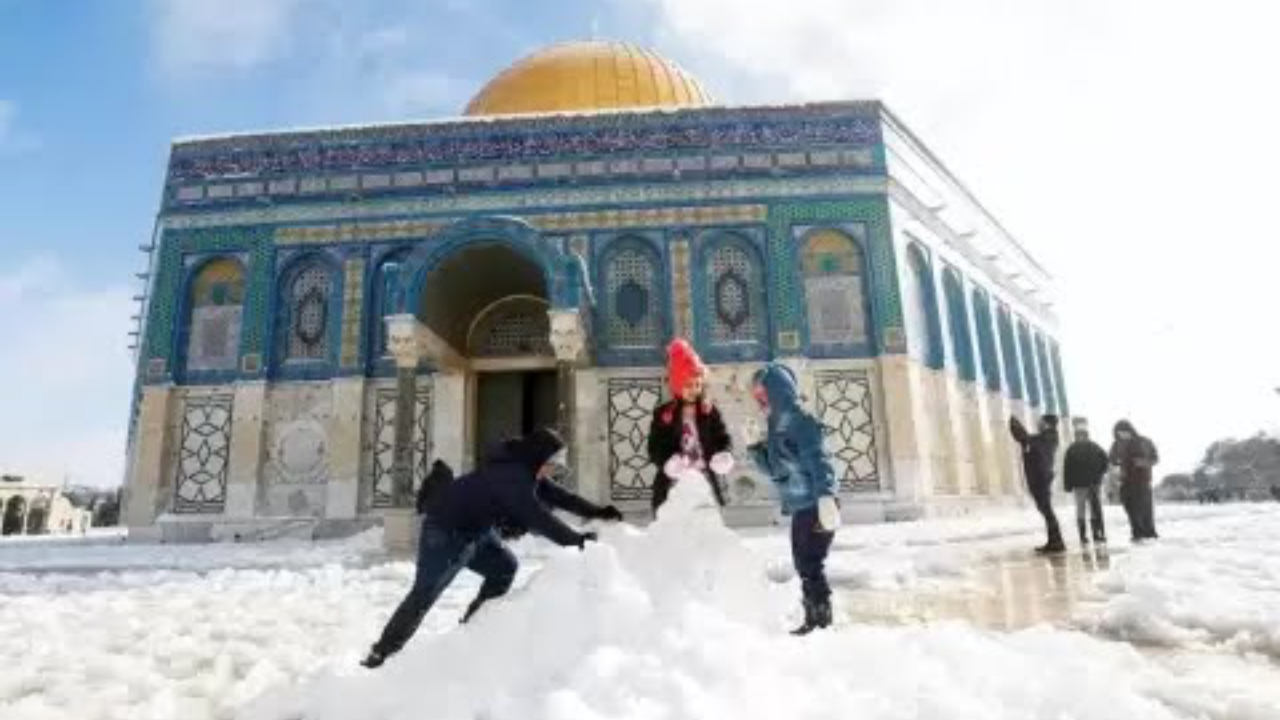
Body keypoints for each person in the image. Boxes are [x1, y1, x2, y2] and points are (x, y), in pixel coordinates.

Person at [361, 428, 623, 669]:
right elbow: (538, 519)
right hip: (445, 532)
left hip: (476, 530)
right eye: (551, 463)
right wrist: (577, 541)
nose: (553, 470)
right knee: (425, 594)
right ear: (538, 456)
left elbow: (560, 497)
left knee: (504, 568)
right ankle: (382, 654)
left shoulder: (525, 469)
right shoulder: (511, 476)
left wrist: (597, 511)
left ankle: (473, 631)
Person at [747, 363, 841, 635]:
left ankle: (820, 620)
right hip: (802, 506)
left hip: (817, 504)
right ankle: (815, 618)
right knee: (804, 563)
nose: (760, 401)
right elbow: (774, 471)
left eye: (763, 395)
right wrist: (755, 447)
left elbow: (819, 460)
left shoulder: (802, 421)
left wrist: (827, 496)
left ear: (778, 391)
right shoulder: (776, 427)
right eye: (758, 397)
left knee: (810, 563)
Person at [647, 339, 734, 514]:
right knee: (677, 526)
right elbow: (654, 447)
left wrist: (723, 454)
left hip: (705, 479)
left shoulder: (708, 410)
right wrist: (668, 462)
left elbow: (722, 437)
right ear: (677, 385)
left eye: (698, 385)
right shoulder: (664, 414)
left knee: (705, 524)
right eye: (688, 385)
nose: (694, 389)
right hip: (675, 482)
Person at [1010, 413, 1065, 554]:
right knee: (1045, 510)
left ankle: (1056, 542)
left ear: (1047, 423)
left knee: (1047, 510)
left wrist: (1017, 428)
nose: (1038, 424)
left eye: (1040, 422)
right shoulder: (1047, 437)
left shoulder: (1049, 437)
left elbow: (1028, 440)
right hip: (1040, 477)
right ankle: (1054, 541)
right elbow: (1028, 440)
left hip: (1041, 478)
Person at [1110, 420, 1159, 542]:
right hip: (1126, 481)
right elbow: (1111, 459)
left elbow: (1155, 458)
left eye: (1122, 432)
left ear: (1129, 430)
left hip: (1143, 481)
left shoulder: (1145, 441)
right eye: (1118, 433)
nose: (1121, 435)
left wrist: (1144, 462)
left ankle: (1149, 533)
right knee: (1131, 508)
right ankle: (1137, 533)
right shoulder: (1117, 444)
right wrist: (1117, 462)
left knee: (1146, 509)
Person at [1063, 417, 1109, 545]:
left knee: (1085, 509)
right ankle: (1092, 535)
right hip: (1089, 485)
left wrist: (1068, 485)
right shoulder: (1094, 447)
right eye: (1079, 435)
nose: (1080, 437)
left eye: (1081, 435)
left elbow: (1067, 469)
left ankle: (1089, 535)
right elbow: (1067, 469)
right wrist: (1100, 475)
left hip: (1085, 485)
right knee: (1089, 509)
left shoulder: (1073, 449)